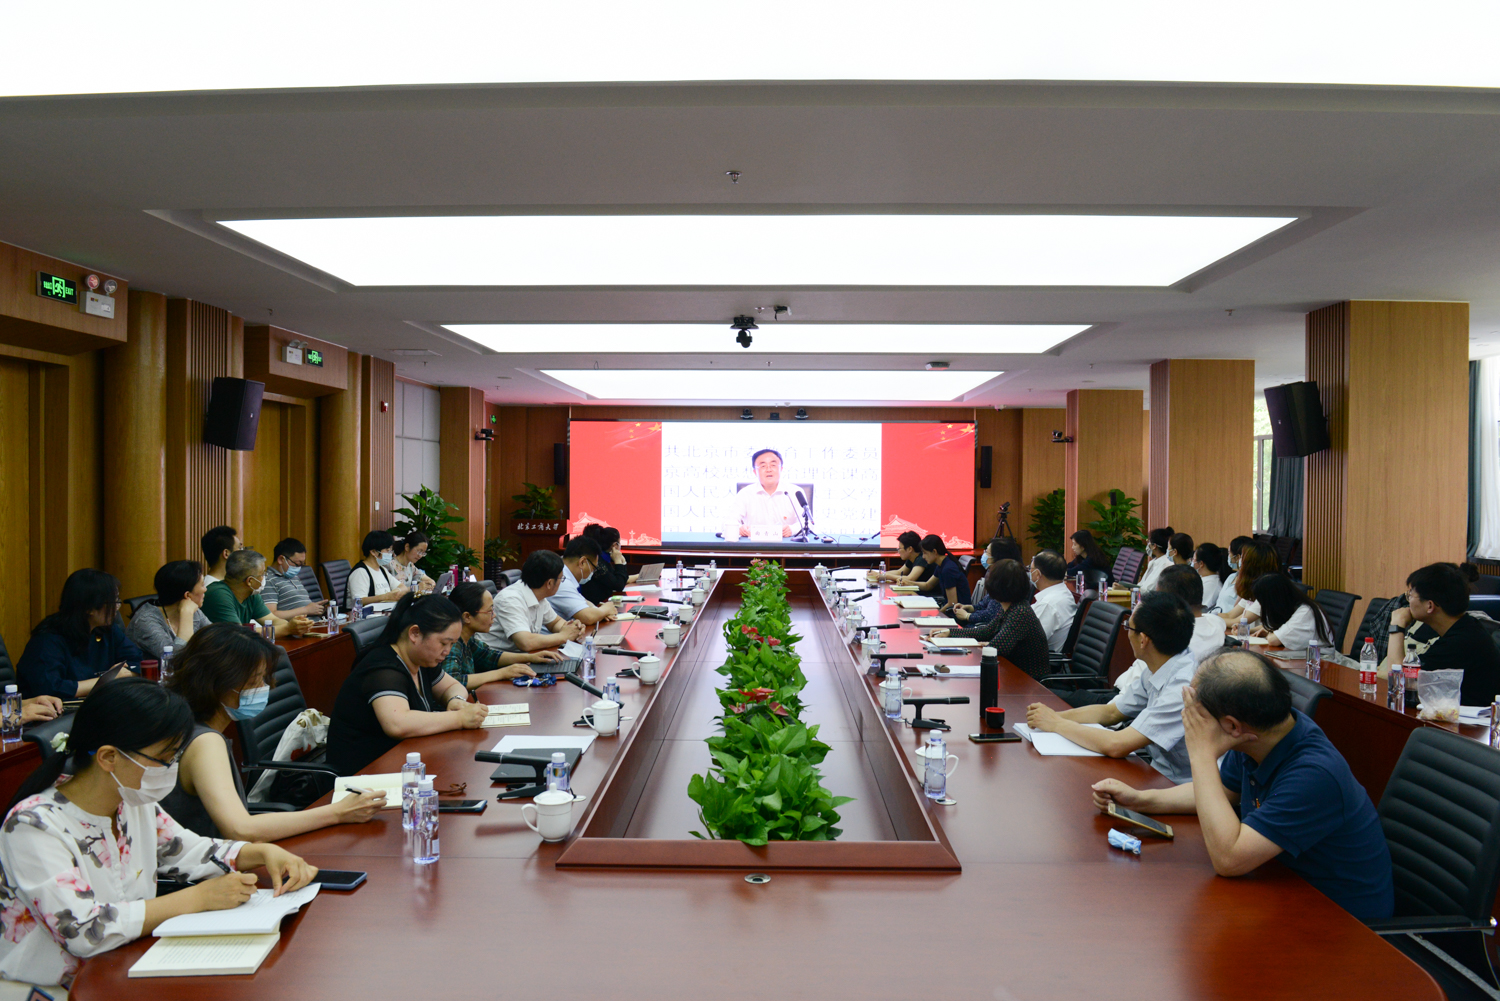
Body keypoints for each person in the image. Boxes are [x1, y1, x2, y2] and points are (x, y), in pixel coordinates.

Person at [0, 678, 318, 989]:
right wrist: (197, 898)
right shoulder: (33, 825)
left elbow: (187, 851)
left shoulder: (130, 801)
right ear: (109, 757)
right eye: (164, 758)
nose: (171, 768)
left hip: (124, 965)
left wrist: (260, 852)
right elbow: (84, 930)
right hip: (52, 988)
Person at [1090, 651, 1394, 921]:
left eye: (1196, 711)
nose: (1188, 716)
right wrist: (1142, 800)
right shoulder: (1259, 736)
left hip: (1341, 925)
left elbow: (1229, 859)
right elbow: (1221, 792)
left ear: (1232, 726)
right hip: (1278, 887)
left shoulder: (1314, 774)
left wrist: (1201, 752)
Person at [161, 624, 386, 840]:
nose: (265, 687)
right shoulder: (205, 742)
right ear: (217, 683)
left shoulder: (186, 726)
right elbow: (240, 829)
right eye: (254, 680)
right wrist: (338, 812)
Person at [1026, 592, 1198, 782]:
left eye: (1128, 627)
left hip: (1182, 786)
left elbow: (1117, 744)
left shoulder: (1182, 687)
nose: (1127, 633)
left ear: (1143, 640)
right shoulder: (1162, 665)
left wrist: (1056, 724)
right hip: (1157, 773)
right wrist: (1053, 717)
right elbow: (1111, 712)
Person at [327, 593, 490, 775]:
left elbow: (453, 686)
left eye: (452, 644)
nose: (447, 651)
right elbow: (398, 724)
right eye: (444, 643)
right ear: (415, 633)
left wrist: (456, 700)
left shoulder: (422, 659)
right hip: (363, 776)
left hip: (402, 763)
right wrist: (459, 718)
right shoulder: (382, 669)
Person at [1063, 565, 1227, 708]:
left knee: (1056, 699)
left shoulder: (1165, 638)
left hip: (1124, 702)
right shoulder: (1216, 624)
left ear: (1165, 601)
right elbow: (1214, 618)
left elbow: (1119, 706)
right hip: (1129, 699)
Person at [17, 569, 142, 700]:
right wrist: (107, 679)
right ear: (89, 607)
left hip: (97, 702)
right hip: (55, 710)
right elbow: (51, 689)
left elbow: (138, 662)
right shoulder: (47, 639)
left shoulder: (107, 630)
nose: (117, 607)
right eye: (113, 602)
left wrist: (123, 675)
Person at [1388, 562, 1500, 706]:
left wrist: (1397, 626)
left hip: (1469, 720)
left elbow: (1399, 685)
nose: (1408, 601)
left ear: (1429, 606)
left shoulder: (1460, 642)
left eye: (1411, 595)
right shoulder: (1467, 627)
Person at [928, 561, 1050, 680]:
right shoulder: (1010, 606)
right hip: (1011, 672)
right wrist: (950, 632)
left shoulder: (1019, 612)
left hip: (1027, 680)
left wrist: (987, 644)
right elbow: (986, 631)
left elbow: (997, 647)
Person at [441, 583, 559, 692]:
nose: (494, 615)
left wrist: (531, 657)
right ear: (467, 617)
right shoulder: (452, 644)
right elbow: (453, 681)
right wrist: (502, 673)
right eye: (489, 611)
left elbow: (489, 655)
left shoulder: (467, 638)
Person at [482, 550, 587, 653]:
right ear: (549, 583)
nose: (561, 582)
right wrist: (563, 636)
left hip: (523, 656)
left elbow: (555, 622)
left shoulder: (538, 595)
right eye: (561, 579)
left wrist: (572, 628)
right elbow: (526, 642)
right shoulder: (510, 599)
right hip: (496, 659)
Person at [201, 550, 311, 638]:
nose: (264, 577)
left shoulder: (251, 594)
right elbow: (238, 634)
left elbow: (273, 620)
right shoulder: (218, 594)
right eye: (262, 574)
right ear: (250, 581)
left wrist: (295, 625)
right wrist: (287, 629)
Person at [126, 559, 211, 659]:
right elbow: (175, 659)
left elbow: (216, 638)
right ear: (187, 596)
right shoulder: (145, 620)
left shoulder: (195, 612)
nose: (205, 589)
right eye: (202, 585)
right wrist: (186, 614)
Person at [726, 448, 801, 539]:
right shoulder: (745, 494)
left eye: (773, 465)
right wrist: (739, 528)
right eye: (763, 466)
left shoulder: (795, 492)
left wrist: (792, 530)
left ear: (781, 469)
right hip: (753, 546)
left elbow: (808, 524)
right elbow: (728, 522)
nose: (769, 469)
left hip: (787, 546)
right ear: (755, 472)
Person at [547, 536, 619, 626]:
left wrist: (599, 612)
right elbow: (587, 617)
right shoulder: (561, 580)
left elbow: (584, 602)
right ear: (582, 562)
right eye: (593, 568)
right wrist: (606, 609)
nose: (592, 572)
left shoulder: (564, 571)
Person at [1252, 574, 1332, 651]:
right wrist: (1269, 631)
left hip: (1319, 658)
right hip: (1302, 656)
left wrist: (1270, 633)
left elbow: (1273, 640)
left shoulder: (1306, 612)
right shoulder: (1290, 607)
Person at [261, 538, 327, 619]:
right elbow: (270, 616)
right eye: (297, 564)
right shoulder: (268, 580)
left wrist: (317, 609)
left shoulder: (294, 577)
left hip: (315, 622)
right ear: (281, 559)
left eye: (302, 564)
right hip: (296, 625)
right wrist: (306, 610)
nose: (299, 568)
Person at [1218, 540, 1279, 626]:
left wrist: (1208, 619)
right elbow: (1230, 615)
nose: (1239, 561)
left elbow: (1238, 621)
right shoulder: (1252, 588)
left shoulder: (1266, 590)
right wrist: (1205, 616)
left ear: (1252, 564)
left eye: (1242, 558)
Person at [347, 530, 409, 608]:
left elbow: (403, 587)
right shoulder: (360, 572)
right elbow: (359, 601)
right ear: (373, 552)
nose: (390, 554)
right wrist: (386, 597)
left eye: (391, 550)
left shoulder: (382, 570)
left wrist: (395, 593)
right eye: (387, 550)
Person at [1028, 550, 1074, 653]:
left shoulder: (1048, 604)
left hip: (1040, 659)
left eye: (1031, 569)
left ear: (1037, 574)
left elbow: (1029, 642)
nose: (1029, 572)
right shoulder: (1062, 593)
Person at [578, 524, 634, 604]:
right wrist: (619, 562)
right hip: (596, 604)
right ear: (615, 545)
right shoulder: (597, 561)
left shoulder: (603, 558)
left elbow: (619, 578)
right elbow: (619, 585)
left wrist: (623, 563)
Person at [917, 535, 971, 607]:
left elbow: (952, 603)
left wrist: (938, 613)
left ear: (934, 551)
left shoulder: (948, 569)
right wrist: (908, 583)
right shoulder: (941, 564)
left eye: (925, 553)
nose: (923, 557)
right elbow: (928, 585)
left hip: (959, 611)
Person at [1210, 536, 1255, 615]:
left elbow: (1233, 615)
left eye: (1229, 553)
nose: (1228, 556)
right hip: (1218, 616)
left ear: (1237, 557)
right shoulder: (1231, 577)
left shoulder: (1248, 583)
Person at [1136, 527, 1175, 592]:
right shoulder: (1153, 561)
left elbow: (1149, 590)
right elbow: (1141, 585)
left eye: (1149, 542)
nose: (1147, 545)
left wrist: (1128, 590)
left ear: (1154, 546)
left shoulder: (1165, 564)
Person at [1192, 542, 1227, 612]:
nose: (1192, 562)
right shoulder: (1203, 578)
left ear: (1201, 563)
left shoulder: (1212, 585)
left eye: (1193, 559)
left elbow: (1200, 609)